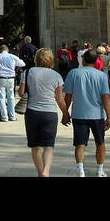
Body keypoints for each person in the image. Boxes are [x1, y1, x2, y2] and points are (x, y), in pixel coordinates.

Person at [62, 49, 110, 177]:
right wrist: (109, 116)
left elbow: (68, 96)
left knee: (80, 143)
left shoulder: (73, 73)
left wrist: (65, 113)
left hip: (79, 113)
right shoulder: (101, 75)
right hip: (97, 114)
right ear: (96, 61)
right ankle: (100, 170)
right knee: (100, 142)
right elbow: (105, 97)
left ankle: (81, 170)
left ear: (83, 59)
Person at [19, 48, 68, 177]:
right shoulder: (56, 75)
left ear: (36, 58)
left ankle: (40, 172)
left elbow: (20, 93)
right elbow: (59, 98)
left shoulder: (28, 72)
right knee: (48, 145)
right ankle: (46, 171)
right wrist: (66, 113)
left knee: (35, 146)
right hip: (49, 113)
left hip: (32, 112)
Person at [0, 44, 24, 121]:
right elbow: (22, 63)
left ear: (0, 50)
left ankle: (4, 117)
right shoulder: (12, 56)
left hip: (0, 78)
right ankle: (12, 116)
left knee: (1, 98)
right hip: (11, 78)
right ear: (7, 50)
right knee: (11, 97)